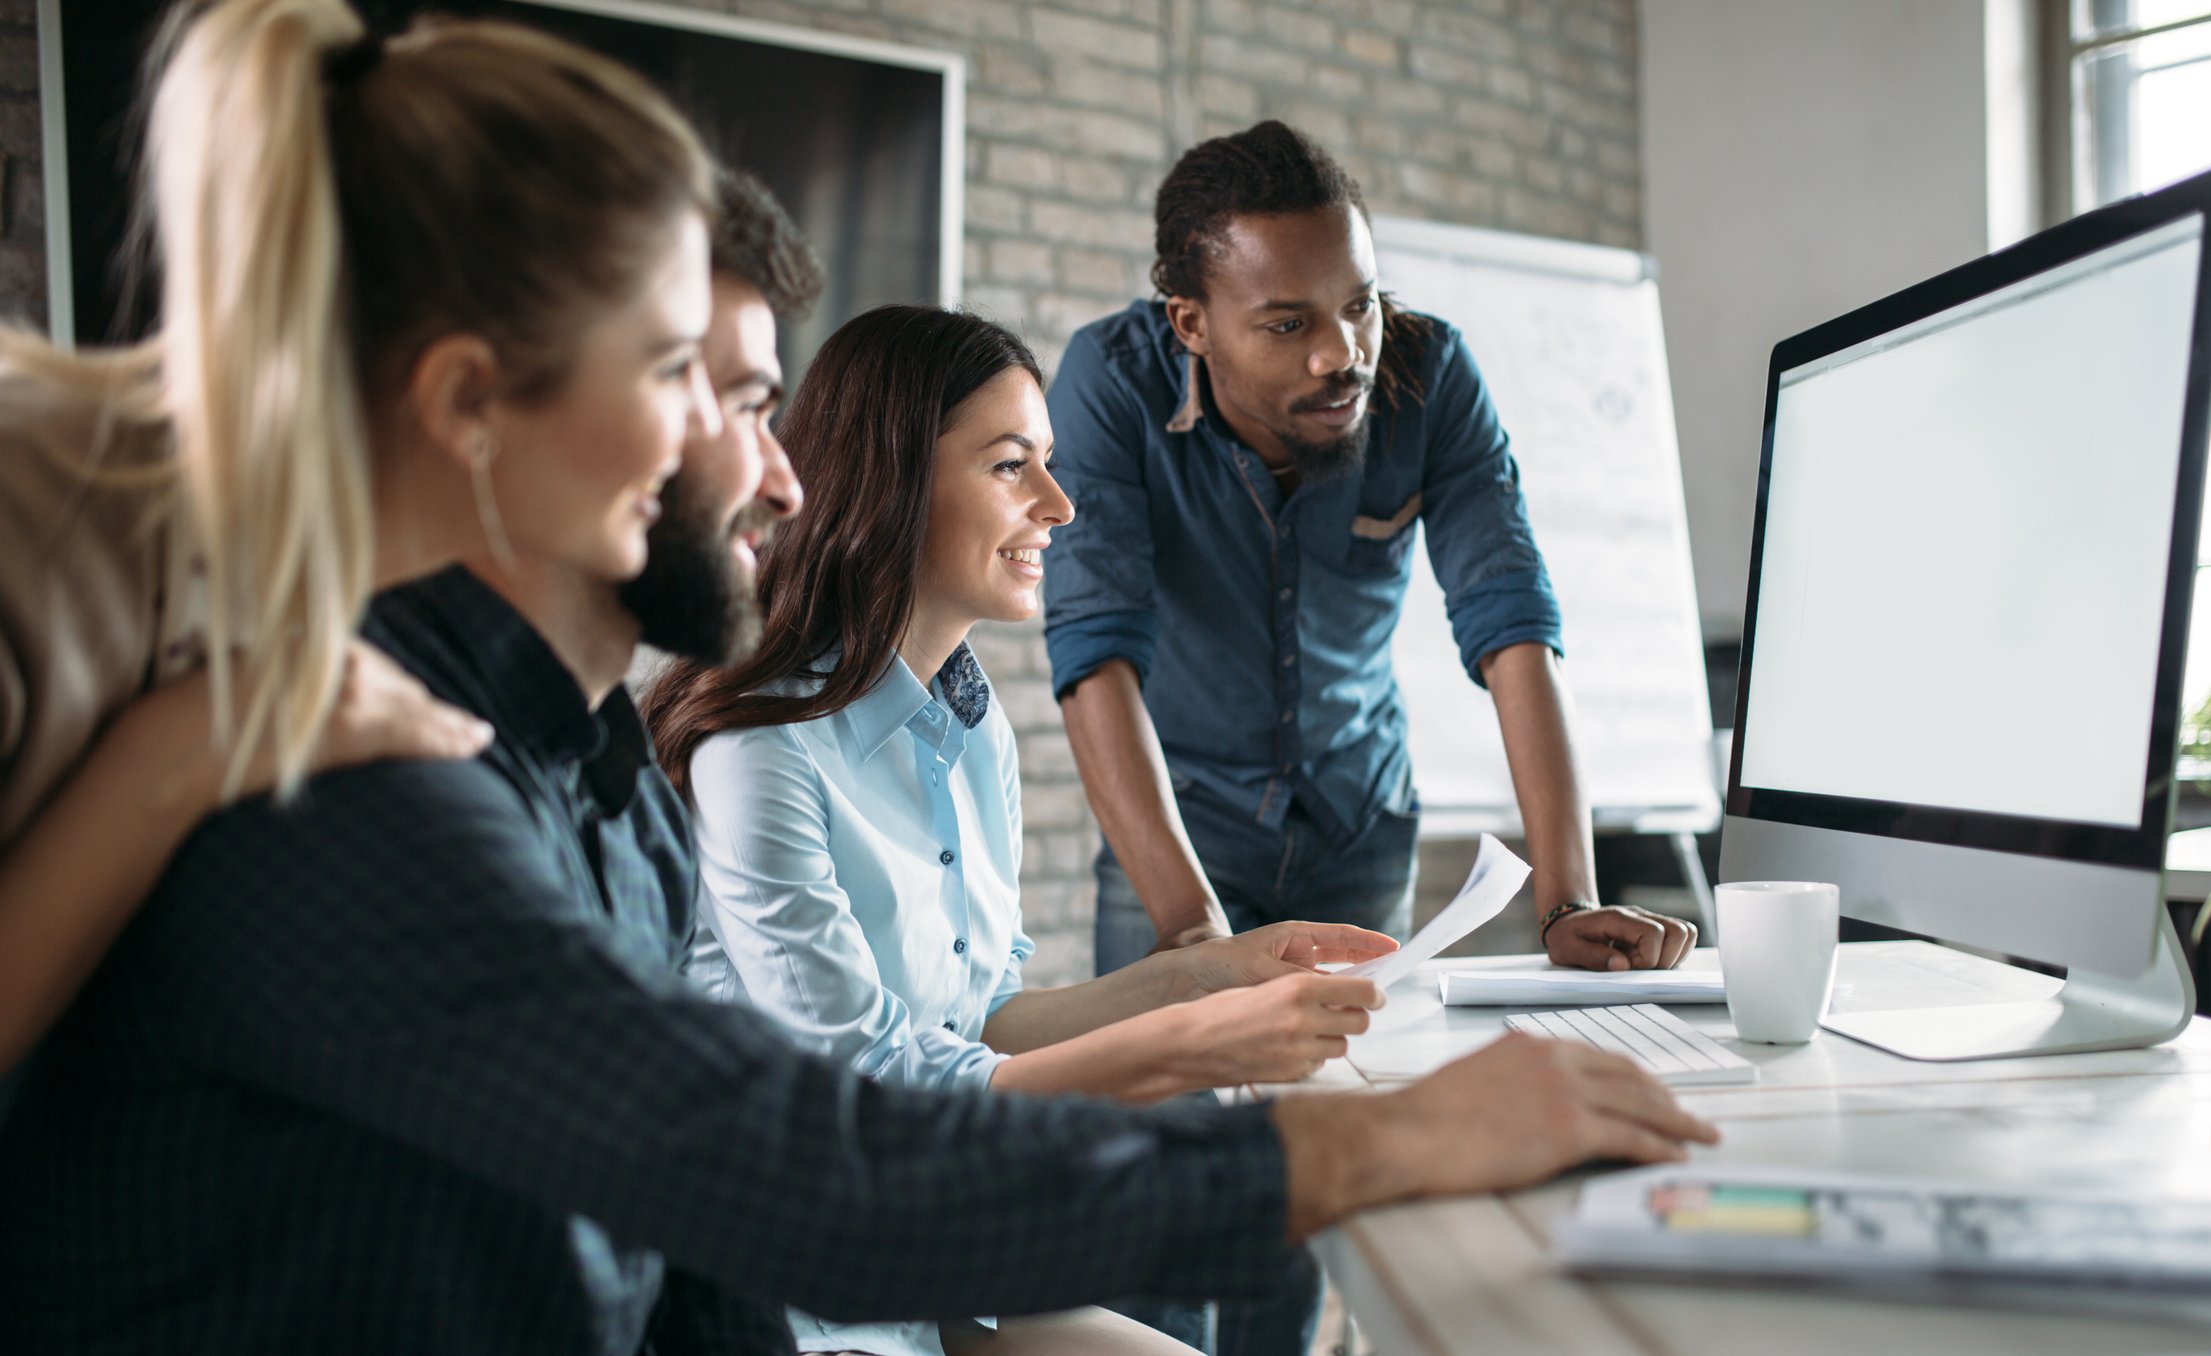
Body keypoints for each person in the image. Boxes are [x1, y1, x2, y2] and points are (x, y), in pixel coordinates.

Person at [0, 13, 1718, 1348]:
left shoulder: (575, 758)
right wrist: (1369, 1143)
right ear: (468, 406)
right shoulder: (358, 806)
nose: (784, 469)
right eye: (696, 378)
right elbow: (796, 1171)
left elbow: (712, 1242)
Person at [640, 304, 1396, 1356]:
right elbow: (873, 1083)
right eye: (1010, 467)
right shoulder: (758, 748)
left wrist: (1216, 976)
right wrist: (1191, 1042)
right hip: (790, 1303)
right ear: (889, 478)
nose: (1058, 504)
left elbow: (978, 1015)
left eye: (1048, 463)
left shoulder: (968, 720)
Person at [1045, 120, 1701, 978]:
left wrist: (1566, 901)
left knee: (1362, 1095)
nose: (1341, 355)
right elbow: (1095, 651)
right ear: (1190, 324)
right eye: (1286, 325)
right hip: (1180, 830)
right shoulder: (1110, 383)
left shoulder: (1430, 375)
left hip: (1359, 825)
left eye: (1358, 305)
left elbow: (1511, 624)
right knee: (1174, 1109)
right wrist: (1195, 937)